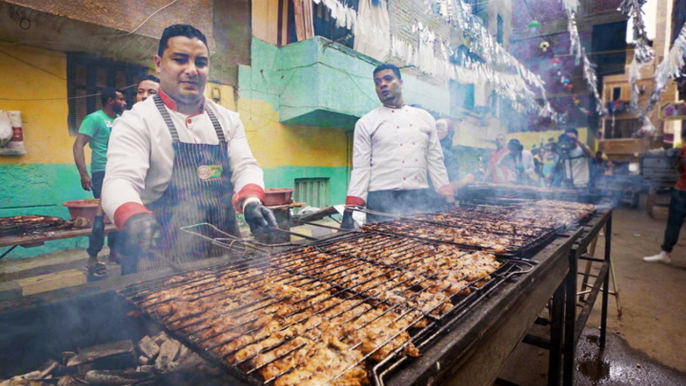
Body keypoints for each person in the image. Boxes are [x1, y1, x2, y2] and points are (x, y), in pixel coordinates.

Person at [102, 24, 277, 274]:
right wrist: (134, 216)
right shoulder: (137, 120)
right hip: (163, 259)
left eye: (201, 62)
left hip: (226, 253)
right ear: (159, 64)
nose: (192, 70)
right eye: (180, 60)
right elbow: (119, 181)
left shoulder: (228, 119)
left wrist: (251, 201)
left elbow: (245, 166)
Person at [340, 63, 454, 228]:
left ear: (400, 83)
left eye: (388, 79)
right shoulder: (366, 122)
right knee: (380, 247)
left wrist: (448, 197)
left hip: (419, 196)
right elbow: (361, 168)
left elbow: (436, 161)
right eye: (377, 82)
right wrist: (351, 209)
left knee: (422, 247)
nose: (382, 85)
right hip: (381, 199)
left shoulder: (425, 118)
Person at [87, 77, 161, 277]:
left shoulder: (170, 129)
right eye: (140, 91)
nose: (144, 96)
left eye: (151, 92)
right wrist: (100, 216)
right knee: (133, 278)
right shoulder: (125, 126)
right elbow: (115, 176)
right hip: (135, 217)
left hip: (164, 220)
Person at [72, 88, 126, 278]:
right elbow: (78, 145)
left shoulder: (122, 120)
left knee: (118, 214)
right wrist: (83, 174)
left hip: (122, 171)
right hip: (102, 172)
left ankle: (114, 253)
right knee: (101, 217)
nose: (125, 102)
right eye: (121, 99)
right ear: (110, 101)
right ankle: (92, 258)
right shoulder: (94, 119)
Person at [643, 127, 686, 264]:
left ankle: (665, 253)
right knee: (673, 223)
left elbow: (680, 167)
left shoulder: (685, 148)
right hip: (681, 190)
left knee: (674, 223)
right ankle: (665, 253)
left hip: (682, 190)